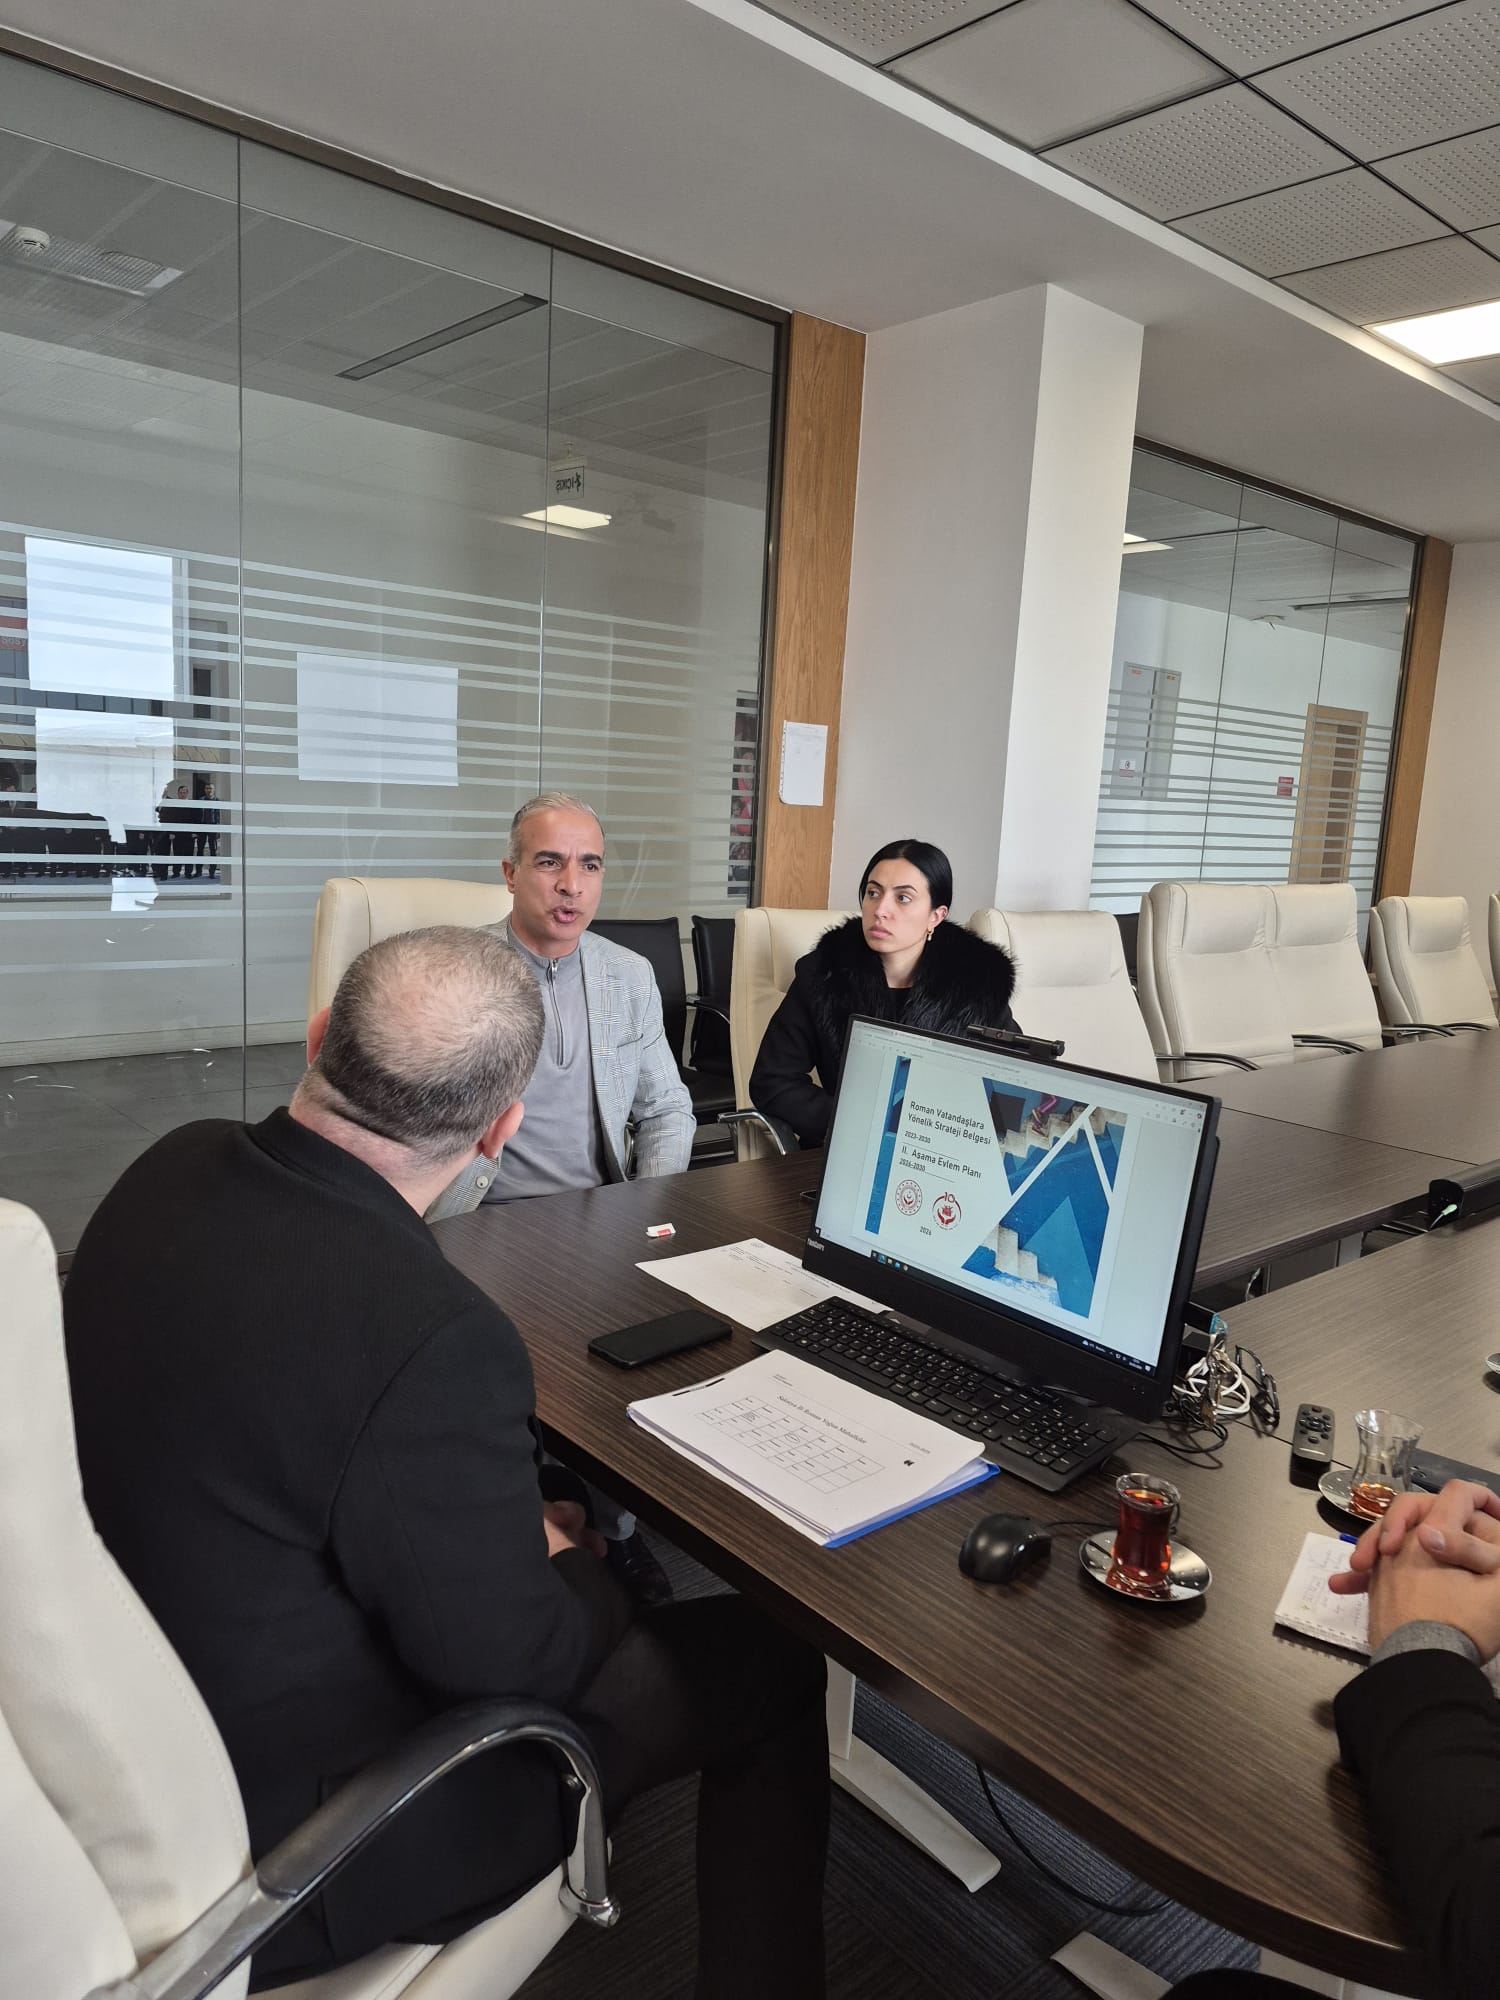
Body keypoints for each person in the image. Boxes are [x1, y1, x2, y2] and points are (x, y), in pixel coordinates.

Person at [63, 926, 830, 1997]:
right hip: (297, 1840)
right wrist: (571, 1562)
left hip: (131, 1715)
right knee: (771, 1657)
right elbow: (523, 1667)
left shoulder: (171, 1162)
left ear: (319, 1037)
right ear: (501, 1129)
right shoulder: (432, 1335)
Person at [426, 792, 694, 1218]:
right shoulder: (451, 972)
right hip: (479, 1215)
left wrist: (645, 1206)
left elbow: (666, 1109)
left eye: (590, 865)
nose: (572, 885)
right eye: (550, 862)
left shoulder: (629, 975)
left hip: (604, 1214)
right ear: (511, 874)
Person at [750, 837, 1019, 1149]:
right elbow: (773, 1081)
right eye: (873, 893)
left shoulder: (975, 981)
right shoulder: (825, 974)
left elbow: (1013, 1082)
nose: (880, 910)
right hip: (850, 1148)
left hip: (943, 1154)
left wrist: (952, 1132)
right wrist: (862, 1123)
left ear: (935, 916)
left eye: (903, 898)